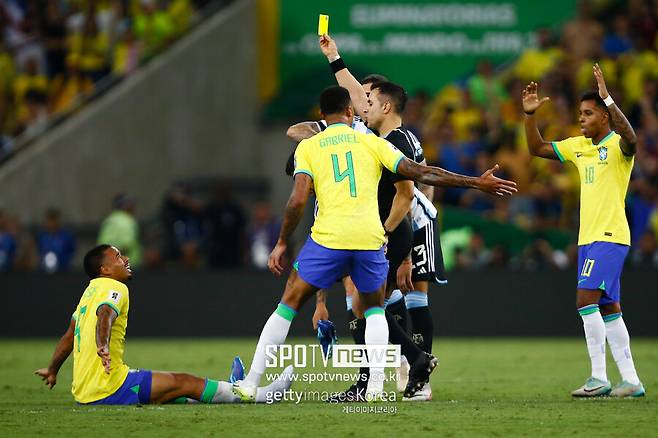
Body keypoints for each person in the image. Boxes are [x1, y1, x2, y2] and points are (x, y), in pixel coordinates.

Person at [232, 86, 517, 403]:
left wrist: (282, 241)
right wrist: (476, 182)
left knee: (288, 304)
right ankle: (375, 389)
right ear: (350, 113)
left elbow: (298, 200)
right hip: (371, 238)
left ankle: (251, 382)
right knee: (374, 309)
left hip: (329, 237)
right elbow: (422, 172)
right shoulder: (371, 142)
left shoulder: (309, 147)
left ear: (322, 116)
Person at [319, 34, 449, 401]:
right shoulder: (386, 135)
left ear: (386, 105)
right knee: (376, 304)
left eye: (370, 100)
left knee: (377, 304)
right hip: (398, 228)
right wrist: (334, 57)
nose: (362, 105)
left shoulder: (397, 141)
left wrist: (386, 233)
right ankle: (406, 365)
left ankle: (405, 369)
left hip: (398, 227)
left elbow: (408, 195)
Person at [35, 244, 293, 405]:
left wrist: (53, 368)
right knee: (184, 381)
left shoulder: (89, 292)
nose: (125, 258)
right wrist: (102, 344)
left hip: (85, 391)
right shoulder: (114, 288)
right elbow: (106, 315)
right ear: (104, 269)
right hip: (109, 388)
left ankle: (230, 389)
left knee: (171, 392)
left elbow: (70, 336)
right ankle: (259, 395)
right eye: (117, 256)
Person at [522, 64, 644, 398]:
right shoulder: (579, 146)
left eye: (588, 113)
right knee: (608, 307)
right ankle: (631, 381)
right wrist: (529, 115)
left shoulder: (619, 147)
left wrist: (607, 97)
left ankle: (599, 377)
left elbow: (633, 139)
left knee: (584, 300)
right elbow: (537, 149)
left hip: (609, 236)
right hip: (589, 239)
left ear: (604, 117)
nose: (582, 118)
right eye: (580, 113)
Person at [98, 193, 142, 267]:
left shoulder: (109, 220)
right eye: (131, 204)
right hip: (125, 267)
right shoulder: (127, 221)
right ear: (126, 206)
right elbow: (126, 245)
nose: (134, 207)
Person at [37, 208, 76, 273]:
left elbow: (71, 251)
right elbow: (39, 251)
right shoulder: (42, 236)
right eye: (49, 220)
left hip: (63, 271)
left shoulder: (66, 236)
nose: (51, 223)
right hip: (44, 271)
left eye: (53, 220)